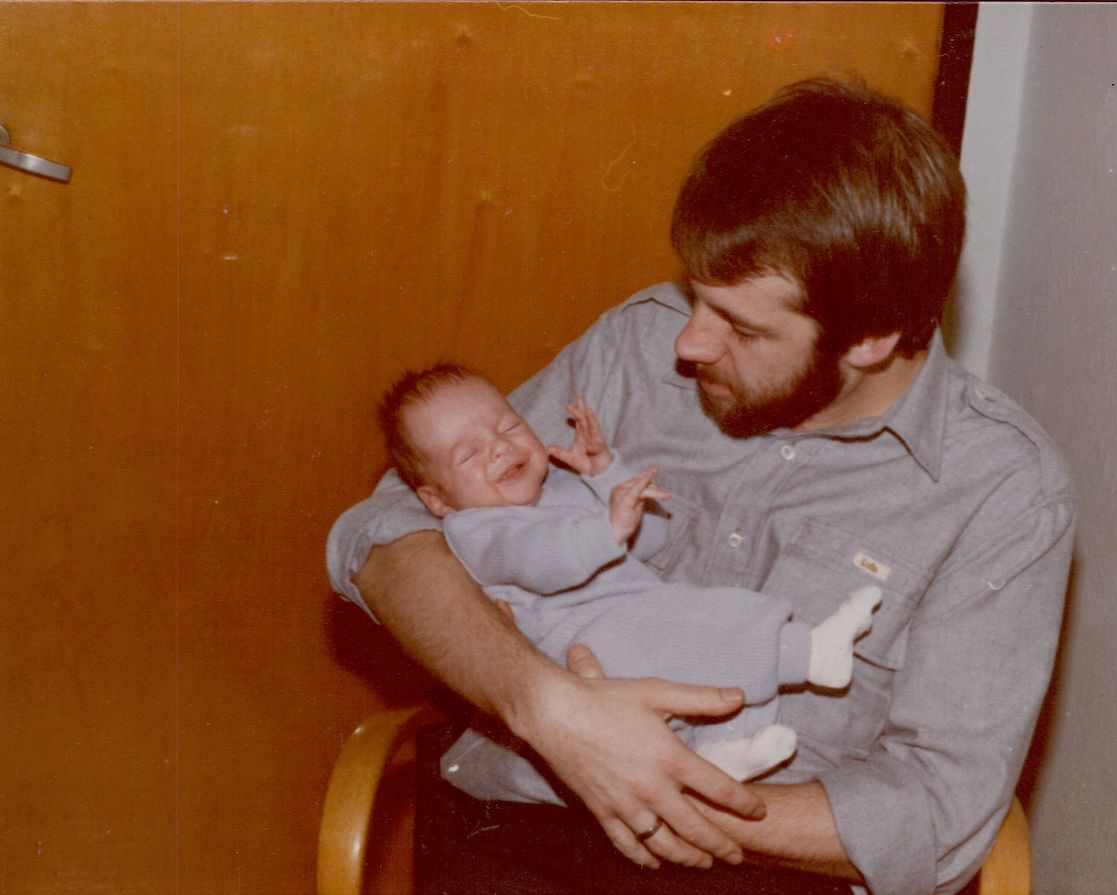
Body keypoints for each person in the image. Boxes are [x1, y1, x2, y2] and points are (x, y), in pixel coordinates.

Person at [327, 77, 1075, 895]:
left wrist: (659, 782)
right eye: (696, 295)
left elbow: (937, 810)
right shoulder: (638, 342)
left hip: (758, 861)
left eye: (743, 327)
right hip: (523, 819)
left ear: (871, 338)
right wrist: (551, 709)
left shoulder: (1000, 489)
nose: (686, 342)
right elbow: (385, 529)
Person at [380, 362, 884, 791]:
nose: (497, 447)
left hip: (632, 618)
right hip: (581, 644)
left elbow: (651, 540)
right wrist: (606, 528)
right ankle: (811, 652)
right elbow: (541, 559)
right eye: (468, 454)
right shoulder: (476, 529)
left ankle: (718, 754)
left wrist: (605, 474)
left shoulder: (562, 486)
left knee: (712, 627)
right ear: (437, 500)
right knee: (696, 629)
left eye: (508, 426)